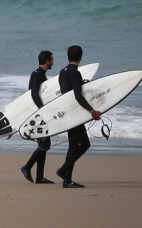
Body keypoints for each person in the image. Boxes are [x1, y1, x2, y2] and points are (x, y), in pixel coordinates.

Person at [56, 46, 102, 189]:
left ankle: (65, 171)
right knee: (76, 145)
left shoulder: (62, 72)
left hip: (67, 111)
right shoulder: (75, 73)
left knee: (81, 144)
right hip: (74, 113)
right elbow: (77, 95)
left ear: (68, 56)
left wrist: (81, 83)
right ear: (80, 57)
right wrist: (91, 110)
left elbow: (67, 91)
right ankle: (66, 176)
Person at [20, 51, 55, 184]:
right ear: (46, 61)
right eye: (51, 60)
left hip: (40, 114)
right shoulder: (36, 74)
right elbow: (33, 94)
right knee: (45, 144)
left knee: (44, 144)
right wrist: (43, 110)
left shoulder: (41, 75)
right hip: (37, 115)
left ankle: (40, 177)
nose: (53, 62)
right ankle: (27, 167)